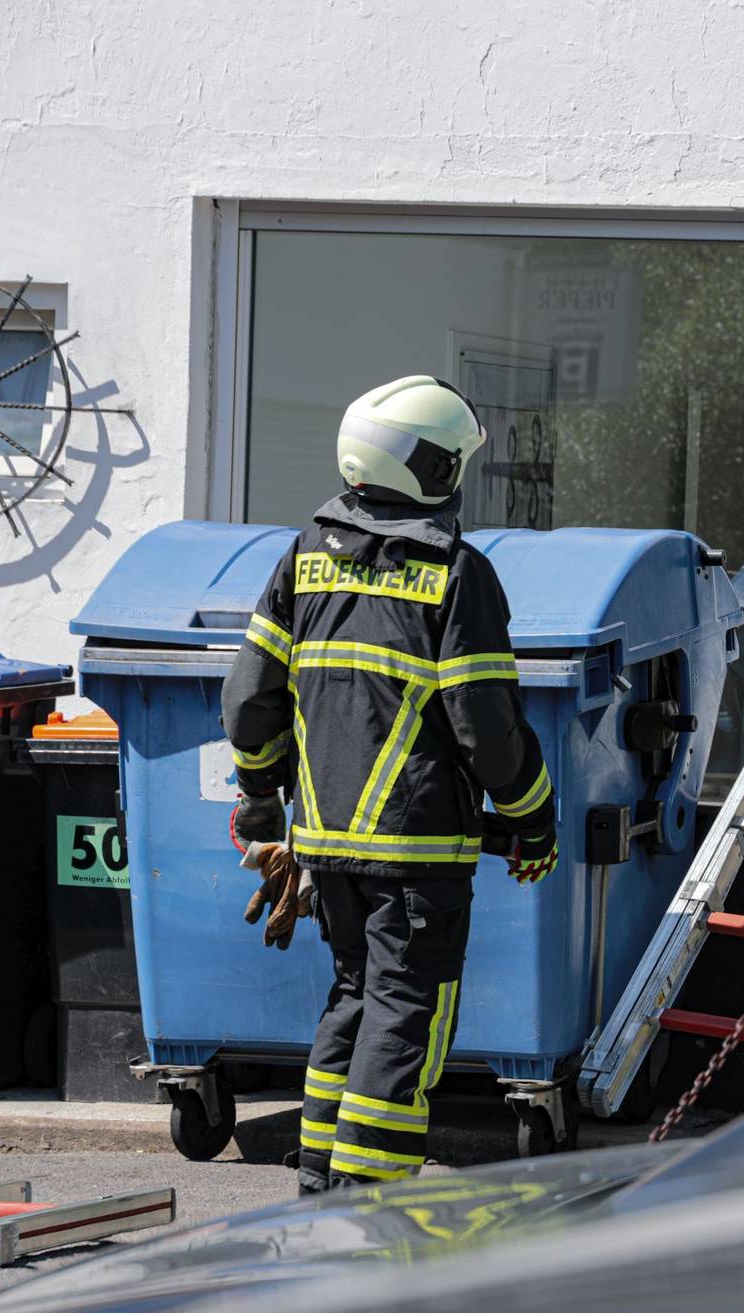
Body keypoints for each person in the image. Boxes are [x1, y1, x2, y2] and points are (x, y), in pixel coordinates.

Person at [222, 375, 557, 1194]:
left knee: (353, 996)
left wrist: (261, 795)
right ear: (428, 467)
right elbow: (487, 727)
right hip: (418, 848)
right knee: (407, 1012)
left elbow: (249, 698)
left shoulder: (302, 556)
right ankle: (371, 1204)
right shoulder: (454, 571)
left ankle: (319, 1182)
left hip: (326, 844)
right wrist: (533, 818)